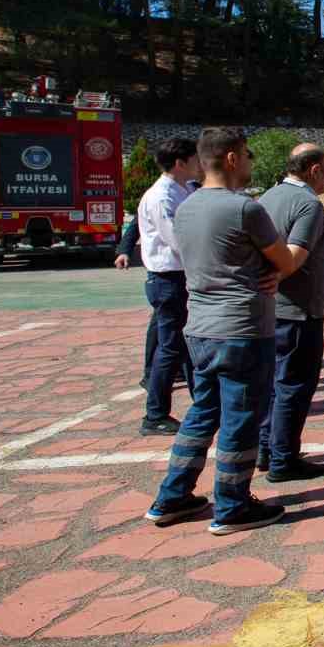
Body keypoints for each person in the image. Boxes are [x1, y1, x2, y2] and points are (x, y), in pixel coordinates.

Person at [146, 127, 298, 535]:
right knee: (242, 418)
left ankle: (172, 496)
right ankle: (231, 505)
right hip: (243, 328)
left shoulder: (187, 205)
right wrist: (273, 271)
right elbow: (284, 259)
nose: (250, 162)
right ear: (231, 158)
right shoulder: (244, 208)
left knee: (202, 412)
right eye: (247, 154)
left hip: (200, 328)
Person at [255, 143, 324, 482]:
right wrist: (276, 277)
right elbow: (294, 256)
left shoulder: (266, 198)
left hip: (271, 310)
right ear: (314, 170)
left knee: (274, 385)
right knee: (294, 387)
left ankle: (266, 449)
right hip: (299, 311)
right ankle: (284, 459)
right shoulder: (307, 204)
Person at [113, 137, 201, 435]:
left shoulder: (184, 189)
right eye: (194, 159)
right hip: (168, 279)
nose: (199, 164)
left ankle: (202, 400)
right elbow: (177, 240)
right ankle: (155, 414)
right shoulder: (162, 196)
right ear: (180, 163)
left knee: (186, 345)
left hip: (180, 278)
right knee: (170, 348)